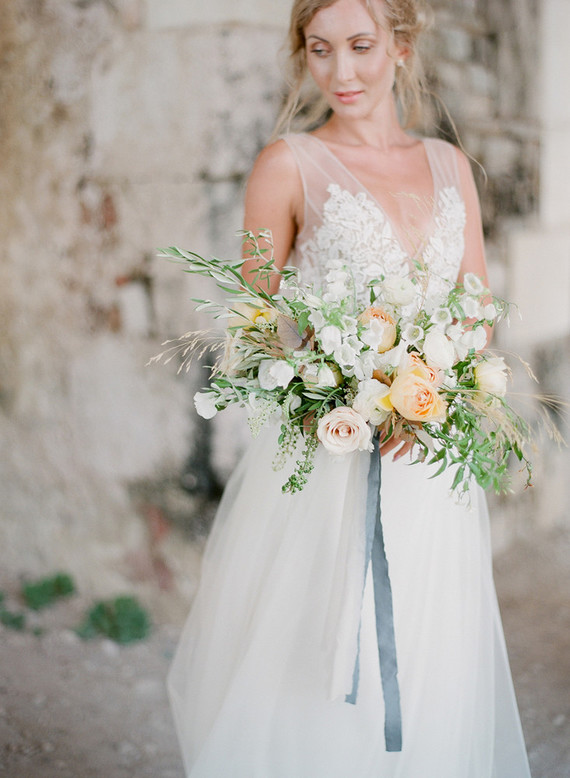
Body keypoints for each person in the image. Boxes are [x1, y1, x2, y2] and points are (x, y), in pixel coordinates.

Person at [168, 1, 533, 776]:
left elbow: (475, 310)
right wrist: (331, 394)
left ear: (401, 47)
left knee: (429, 650)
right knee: (314, 657)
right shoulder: (287, 164)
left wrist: (429, 391)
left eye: (361, 46)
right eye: (319, 49)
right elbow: (257, 319)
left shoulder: (448, 165)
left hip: (428, 466)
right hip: (328, 464)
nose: (340, 72)